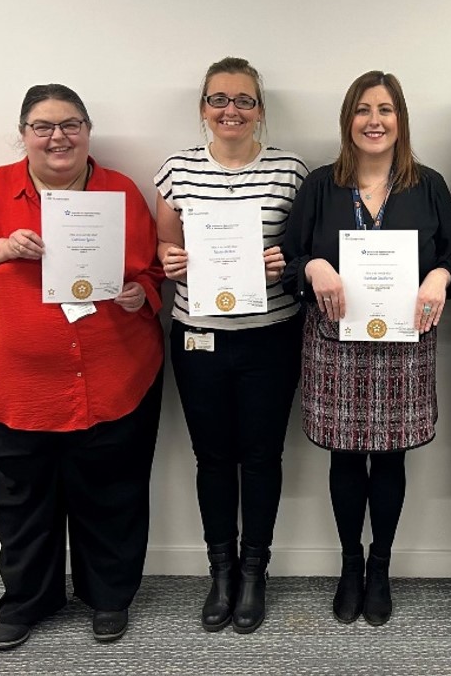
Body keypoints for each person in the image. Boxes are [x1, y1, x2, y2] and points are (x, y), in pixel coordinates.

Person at [0, 84, 164, 650]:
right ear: (24, 135)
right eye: (43, 126)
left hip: (116, 378)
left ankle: (108, 597)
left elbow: (153, 267)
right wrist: (0, 248)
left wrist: (142, 292)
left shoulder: (122, 191)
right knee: (22, 501)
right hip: (16, 384)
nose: (58, 136)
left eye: (70, 124)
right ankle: (27, 601)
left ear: (87, 132)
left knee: (112, 495)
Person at [282, 71, 451, 627]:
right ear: (347, 120)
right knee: (343, 456)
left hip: (405, 345)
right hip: (335, 344)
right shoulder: (319, 186)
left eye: (385, 110)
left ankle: (380, 566)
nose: (374, 121)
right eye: (362, 110)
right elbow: (285, 260)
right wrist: (312, 264)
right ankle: (349, 563)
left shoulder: (428, 185)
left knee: (390, 457)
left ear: (400, 119)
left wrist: (442, 278)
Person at [155, 57, 307, 634]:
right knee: (212, 458)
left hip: (271, 335)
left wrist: (283, 264)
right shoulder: (176, 170)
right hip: (199, 337)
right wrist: (170, 262)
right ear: (203, 109)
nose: (231, 110)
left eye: (244, 100)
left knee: (263, 457)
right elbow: (166, 253)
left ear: (260, 111)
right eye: (219, 99)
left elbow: (303, 255)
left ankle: (254, 571)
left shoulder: (291, 172)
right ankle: (220, 572)